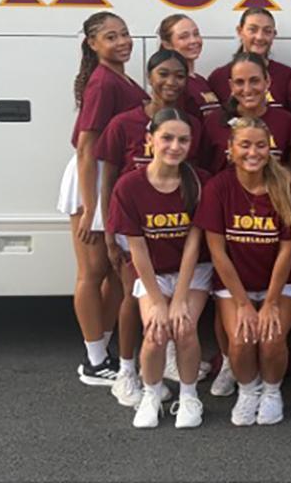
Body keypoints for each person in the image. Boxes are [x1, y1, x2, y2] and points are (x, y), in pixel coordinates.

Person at [97, 48, 202, 406]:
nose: (172, 81)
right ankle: (127, 372)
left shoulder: (189, 123)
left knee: (173, 306)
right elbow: (108, 177)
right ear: (149, 77)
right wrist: (109, 232)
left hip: (171, 227)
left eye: (179, 75)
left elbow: (191, 176)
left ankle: (168, 362)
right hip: (133, 227)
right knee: (133, 297)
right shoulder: (123, 123)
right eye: (164, 74)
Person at [199, 51, 291, 397]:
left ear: (268, 82)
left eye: (254, 80)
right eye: (239, 82)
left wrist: (279, 197)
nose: (247, 88)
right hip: (227, 215)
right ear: (229, 87)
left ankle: (269, 389)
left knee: (271, 338)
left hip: (271, 211)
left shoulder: (286, 121)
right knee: (231, 320)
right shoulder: (214, 123)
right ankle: (231, 362)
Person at [195, 116, 291, 426]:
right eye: (244, 145)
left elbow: (287, 250)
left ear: (270, 148)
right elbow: (217, 251)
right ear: (231, 148)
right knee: (242, 341)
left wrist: (270, 303)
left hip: (280, 283)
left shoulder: (286, 185)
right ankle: (248, 390)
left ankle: (272, 392)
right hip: (236, 284)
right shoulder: (219, 187)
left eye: (261, 145)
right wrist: (244, 304)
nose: (253, 152)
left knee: (271, 339)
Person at [106, 108, 212, 428]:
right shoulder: (129, 187)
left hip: (192, 271)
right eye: (167, 138)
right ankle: (151, 394)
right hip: (152, 271)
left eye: (183, 140)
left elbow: (194, 245)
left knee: (184, 327)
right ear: (150, 140)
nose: (175, 146)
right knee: (155, 331)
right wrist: (157, 301)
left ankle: (190, 396)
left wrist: (178, 299)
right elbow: (137, 250)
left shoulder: (199, 181)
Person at [57, 11, 148, 385]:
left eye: (125, 34)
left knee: (114, 270)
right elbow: (85, 146)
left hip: (108, 178)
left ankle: (103, 351)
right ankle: (94, 361)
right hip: (91, 180)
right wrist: (91, 206)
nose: (122, 41)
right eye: (111, 37)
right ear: (93, 44)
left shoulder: (117, 77)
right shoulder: (101, 82)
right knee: (92, 273)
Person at [207, 8, 291, 110]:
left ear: (274, 35)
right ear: (240, 31)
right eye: (253, 30)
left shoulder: (286, 76)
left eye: (267, 31)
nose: (260, 37)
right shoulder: (219, 77)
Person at [158, 14, 221, 118]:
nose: (193, 41)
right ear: (167, 45)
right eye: (184, 37)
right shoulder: (173, 84)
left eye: (196, 34)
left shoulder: (201, 80)